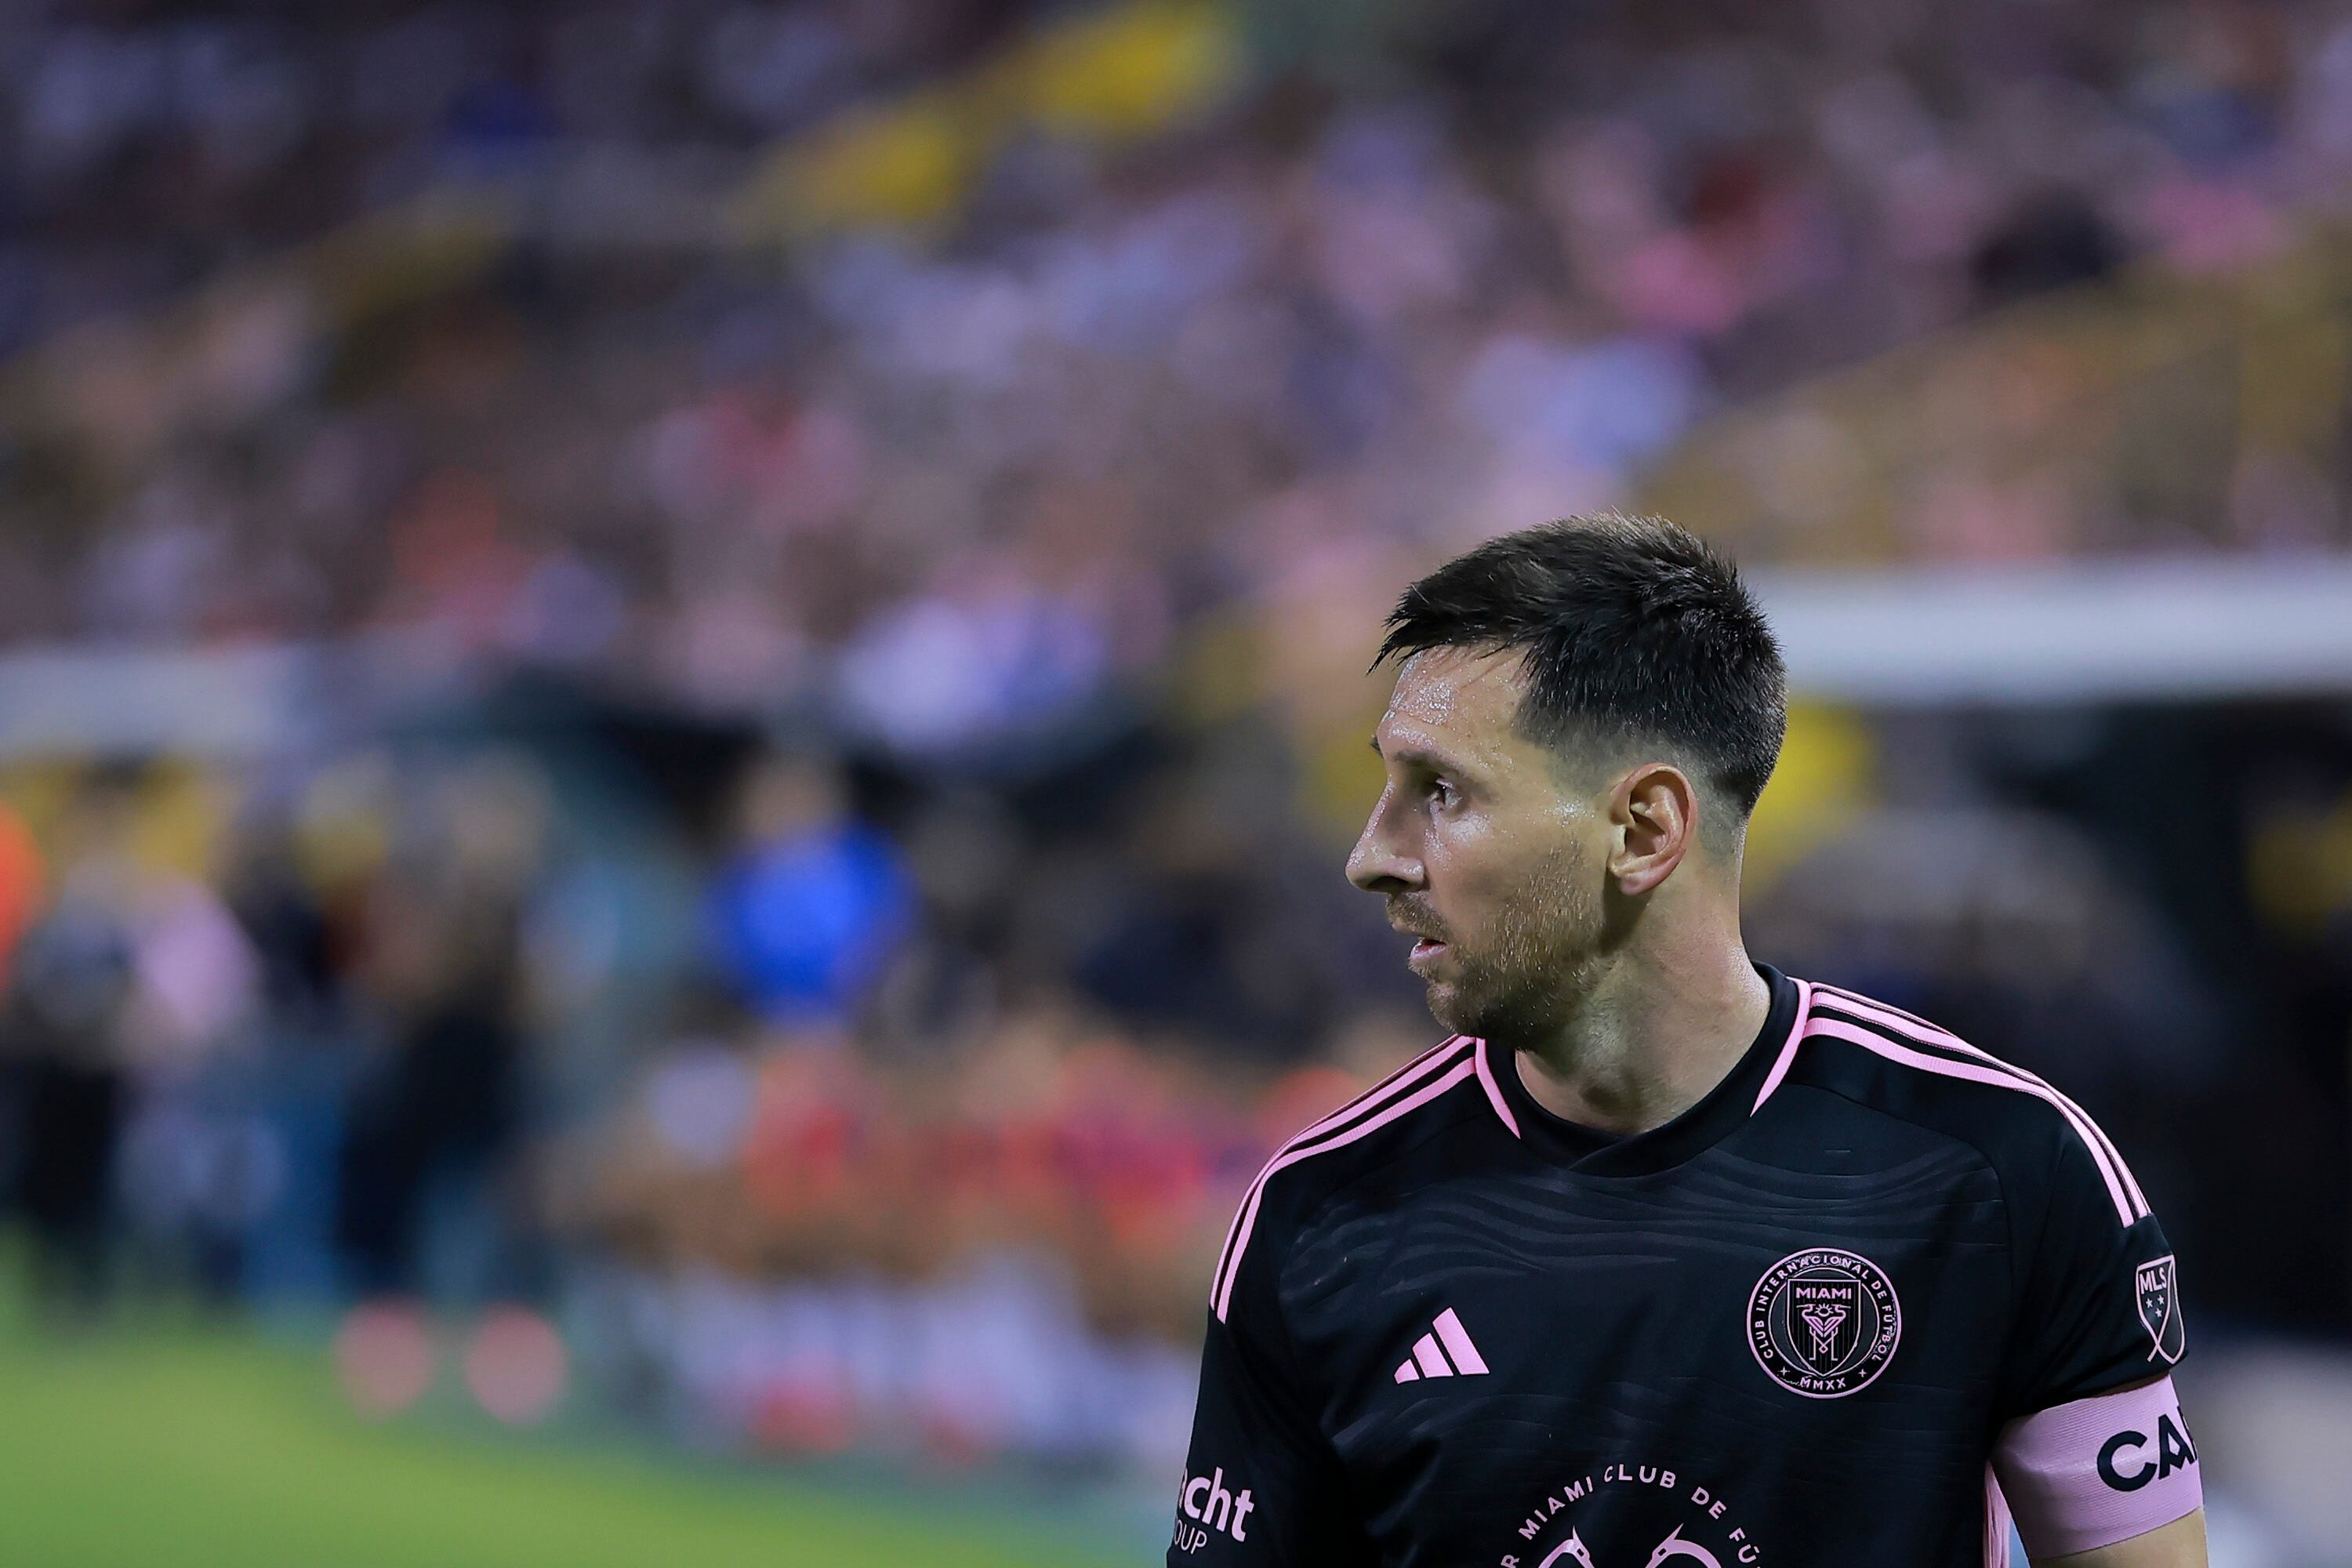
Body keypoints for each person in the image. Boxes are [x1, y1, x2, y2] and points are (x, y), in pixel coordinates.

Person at [1169, 517, 2204, 1566]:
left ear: (1645, 830)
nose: (1371, 857)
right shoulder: (1321, 1216)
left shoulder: (2001, 1170)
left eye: (1441, 792)